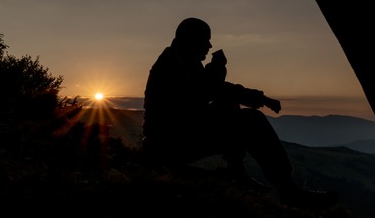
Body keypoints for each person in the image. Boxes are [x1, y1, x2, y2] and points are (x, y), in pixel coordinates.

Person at [141, 17, 337, 210]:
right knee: (253, 120)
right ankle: (288, 191)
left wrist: (221, 74)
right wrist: (260, 98)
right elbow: (212, 89)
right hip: (170, 144)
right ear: (191, 39)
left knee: (229, 104)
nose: (209, 45)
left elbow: (209, 90)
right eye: (205, 40)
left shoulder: (182, 59)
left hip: (176, 136)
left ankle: (238, 172)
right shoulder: (174, 64)